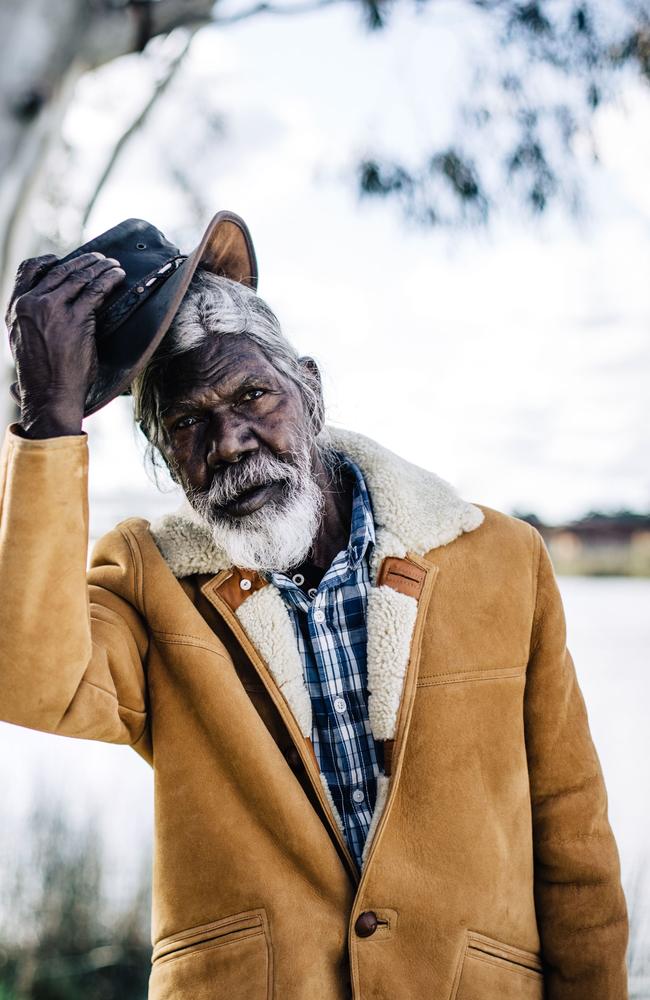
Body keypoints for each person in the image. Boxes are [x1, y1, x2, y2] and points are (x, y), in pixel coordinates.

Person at [0, 212, 628, 1000]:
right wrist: (48, 421)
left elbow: (573, 842)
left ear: (312, 391)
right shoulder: (146, 578)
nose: (228, 441)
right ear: (166, 457)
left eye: (254, 395)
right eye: (187, 422)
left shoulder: (502, 560)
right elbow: (31, 682)